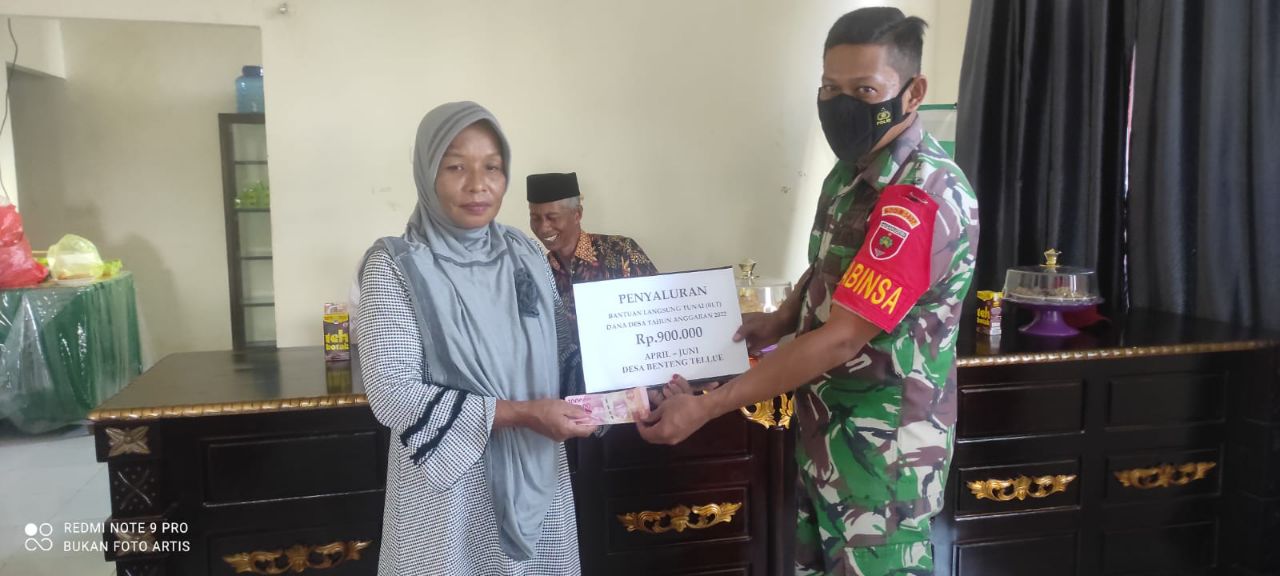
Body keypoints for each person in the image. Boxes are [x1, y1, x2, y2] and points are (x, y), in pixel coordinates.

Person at [637, 8, 980, 575]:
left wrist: (707, 407)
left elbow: (842, 337)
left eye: (864, 90)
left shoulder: (920, 198)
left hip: (884, 459)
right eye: (829, 88)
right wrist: (781, 318)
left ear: (913, 92)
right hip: (826, 434)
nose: (842, 105)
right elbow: (826, 266)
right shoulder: (850, 174)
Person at [354, 102, 596, 575]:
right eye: (455, 167)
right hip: (448, 498)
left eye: (492, 167)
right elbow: (393, 393)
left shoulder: (524, 252)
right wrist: (524, 413)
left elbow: (564, 350)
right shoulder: (396, 266)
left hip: (538, 478)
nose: (477, 184)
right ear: (427, 172)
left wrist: (627, 384)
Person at [527, 172, 658, 338]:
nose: (543, 228)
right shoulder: (539, 273)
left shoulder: (621, 252)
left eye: (552, 217)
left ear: (577, 214)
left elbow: (658, 312)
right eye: (535, 218)